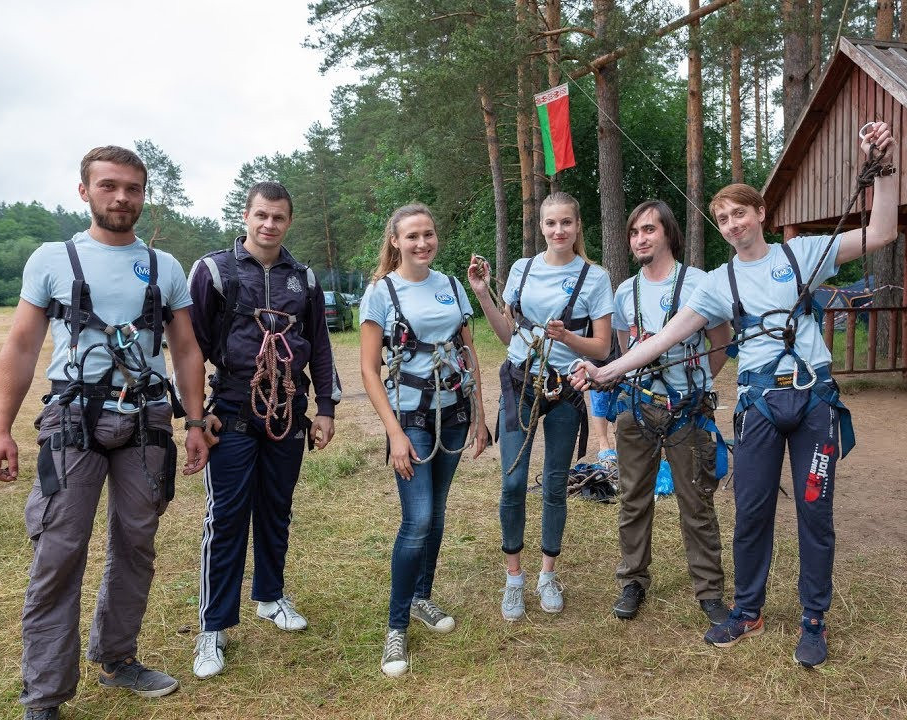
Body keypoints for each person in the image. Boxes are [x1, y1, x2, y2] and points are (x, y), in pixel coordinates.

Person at [573, 122, 898, 669]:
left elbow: (882, 232)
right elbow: (663, 340)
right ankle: (747, 611)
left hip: (813, 402)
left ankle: (813, 620)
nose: (732, 224)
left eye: (739, 213)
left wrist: (882, 168)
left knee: (815, 512)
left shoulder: (802, 255)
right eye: (723, 219)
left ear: (761, 213)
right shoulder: (716, 283)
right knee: (751, 510)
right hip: (759, 406)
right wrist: (606, 373)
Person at [0, 145, 210, 720]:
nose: (121, 197)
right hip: (73, 419)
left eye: (132, 188)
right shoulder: (52, 259)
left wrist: (195, 422)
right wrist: (0, 430)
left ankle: (117, 658)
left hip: (147, 420)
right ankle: (44, 695)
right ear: (84, 191)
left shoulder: (165, 267)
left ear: (143, 195)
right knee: (59, 551)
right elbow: (22, 346)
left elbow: (186, 349)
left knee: (136, 544)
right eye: (108, 185)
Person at [186, 181, 340, 679]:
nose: (269, 224)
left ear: (289, 222)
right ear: (245, 216)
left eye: (278, 217)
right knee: (227, 516)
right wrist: (196, 415)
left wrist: (325, 408)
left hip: (288, 410)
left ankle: (270, 597)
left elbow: (320, 345)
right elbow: (190, 347)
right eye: (261, 215)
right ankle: (213, 626)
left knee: (276, 509)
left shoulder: (304, 278)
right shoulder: (214, 271)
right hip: (232, 408)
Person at [467, 191, 613, 620]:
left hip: (566, 389)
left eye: (566, 222)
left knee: (554, 484)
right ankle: (514, 578)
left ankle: (547, 574)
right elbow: (505, 334)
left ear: (578, 225)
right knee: (513, 483)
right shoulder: (522, 269)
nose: (558, 230)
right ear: (542, 227)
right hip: (520, 384)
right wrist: (483, 294)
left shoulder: (595, 277)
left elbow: (602, 347)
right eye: (551, 223)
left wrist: (567, 338)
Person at [359, 203, 490, 677]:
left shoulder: (451, 285)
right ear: (395, 241)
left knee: (436, 514)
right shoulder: (381, 292)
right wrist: (394, 433)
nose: (422, 243)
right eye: (412, 236)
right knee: (416, 520)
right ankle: (396, 627)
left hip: (452, 412)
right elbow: (368, 370)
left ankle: (421, 598)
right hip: (410, 417)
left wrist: (480, 415)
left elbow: (468, 351)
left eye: (428, 234)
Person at [599, 199, 734, 625]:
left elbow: (721, 342)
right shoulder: (625, 291)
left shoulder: (698, 283)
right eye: (634, 232)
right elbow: (626, 351)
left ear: (668, 234)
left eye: (649, 230)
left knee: (696, 502)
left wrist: (697, 384)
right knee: (633, 499)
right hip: (637, 407)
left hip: (688, 410)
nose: (640, 239)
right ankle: (633, 580)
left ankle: (709, 591)